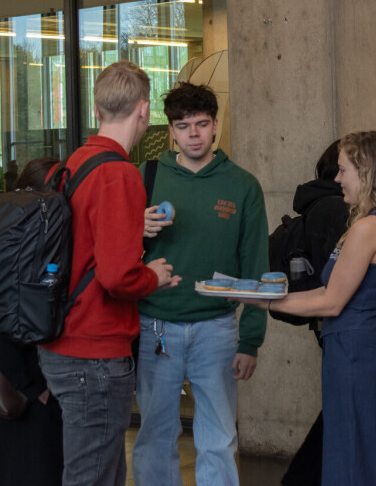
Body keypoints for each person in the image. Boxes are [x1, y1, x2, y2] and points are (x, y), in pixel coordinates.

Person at [236, 130, 376, 486]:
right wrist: (264, 298)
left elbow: (332, 302)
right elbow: (328, 290)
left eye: (343, 170)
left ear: (366, 172)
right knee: (372, 453)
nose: (337, 179)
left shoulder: (368, 227)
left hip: (358, 354)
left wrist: (265, 300)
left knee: (355, 459)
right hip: (367, 349)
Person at [37, 61, 180, 486]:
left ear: (97, 110)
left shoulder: (72, 164)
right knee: (94, 476)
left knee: (99, 471)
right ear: (144, 110)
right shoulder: (120, 173)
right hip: (95, 351)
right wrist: (152, 276)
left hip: (61, 340)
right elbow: (117, 276)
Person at [132, 83, 268, 486]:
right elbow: (111, 252)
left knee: (219, 439)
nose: (193, 134)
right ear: (171, 131)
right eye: (183, 125)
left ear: (215, 125)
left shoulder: (242, 185)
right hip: (154, 325)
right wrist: (136, 229)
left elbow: (255, 265)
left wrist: (250, 339)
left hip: (217, 328)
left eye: (202, 124)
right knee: (155, 437)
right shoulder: (145, 178)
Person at [0, 155, 63, 486]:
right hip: (34, 388)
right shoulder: (24, 246)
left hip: (30, 386)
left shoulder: (9, 237)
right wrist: (35, 389)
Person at [280, 141, 350, 486]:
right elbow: (333, 280)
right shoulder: (336, 209)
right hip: (340, 322)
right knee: (342, 410)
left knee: (340, 408)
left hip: (331, 319)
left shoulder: (320, 204)